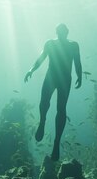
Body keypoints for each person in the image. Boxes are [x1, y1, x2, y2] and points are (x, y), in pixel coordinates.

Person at [24, 23, 82, 161]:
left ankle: (56, 141)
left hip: (65, 79)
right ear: (57, 32)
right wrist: (31, 69)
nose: (62, 32)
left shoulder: (74, 45)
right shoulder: (50, 44)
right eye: (60, 30)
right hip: (51, 76)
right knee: (44, 102)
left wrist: (80, 75)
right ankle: (42, 121)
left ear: (67, 32)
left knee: (61, 109)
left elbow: (77, 62)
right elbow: (41, 58)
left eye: (64, 30)